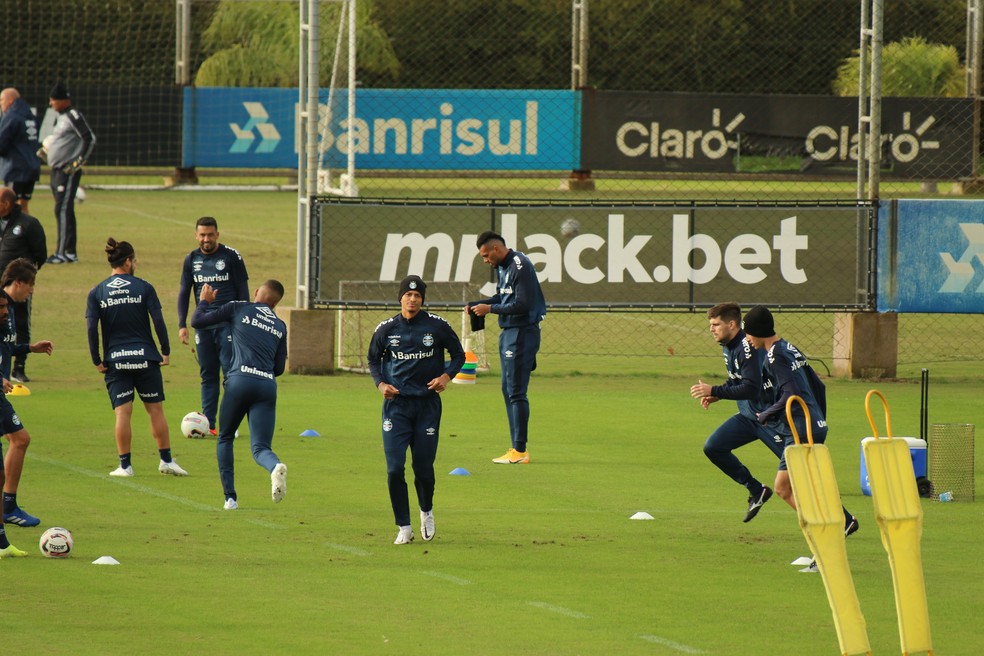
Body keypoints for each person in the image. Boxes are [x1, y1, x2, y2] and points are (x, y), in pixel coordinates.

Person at [741, 305, 859, 542]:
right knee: (806, 484)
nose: (747, 338)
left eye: (749, 333)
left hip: (800, 429)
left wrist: (767, 414)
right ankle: (840, 524)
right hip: (811, 425)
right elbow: (818, 386)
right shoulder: (789, 348)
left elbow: (791, 394)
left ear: (759, 331)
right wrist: (818, 418)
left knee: (784, 488)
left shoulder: (774, 356)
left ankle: (826, 533)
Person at [368, 275, 465, 545]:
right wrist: (380, 384)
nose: (413, 299)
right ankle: (404, 526)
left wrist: (446, 376)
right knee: (394, 469)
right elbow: (373, 359)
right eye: (408, 295)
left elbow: (458, 355)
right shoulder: (386, 329)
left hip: (427, 406)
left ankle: (426, 511)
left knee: (422, 468)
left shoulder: (437, 326)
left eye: (418, 296)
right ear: (400, 298)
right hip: (396, 407)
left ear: (422, 300)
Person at [86, 238, 188, 478]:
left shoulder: (97, 292)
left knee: (123, 413)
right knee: (156, 410)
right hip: (145, 358)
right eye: (134, 260)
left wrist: (96, 359)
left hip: (116, 360)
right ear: (128, 262)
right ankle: (166, 461)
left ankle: (125, 466)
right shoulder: (144, 287)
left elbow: (91, 328)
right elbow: (158, 320)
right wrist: (165, 350)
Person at [191, 280, 288, 510]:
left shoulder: (239, 307)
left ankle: (230, 499)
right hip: (266, 386)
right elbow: (279, 368)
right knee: (261, 448)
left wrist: (204, 301)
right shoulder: (280, 325)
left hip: (239, 381)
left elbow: (197, 321)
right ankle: (274, 467)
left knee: (225, 438)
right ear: (275, 304)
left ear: (257, 292)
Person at [689, 302, 785, 522]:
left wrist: (714, 390)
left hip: (770, 419)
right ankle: (757, 490)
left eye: (716, 324)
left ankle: (844, 518)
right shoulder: (728, 345)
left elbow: (751, 388)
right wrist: (718, 394)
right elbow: (737, 380)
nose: (711, 329)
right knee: (714, 447)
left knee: (798, 470)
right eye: (711, 325)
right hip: (749, 416)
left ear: (731, 324)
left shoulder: (746, 348)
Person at [466, 231, 546, 464]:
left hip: (522, 332)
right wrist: (479, 304)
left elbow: (523, 304)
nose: (485, 260)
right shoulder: (503, 267)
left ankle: (520, 451)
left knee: (516, 391)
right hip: (510, 332)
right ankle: (515, 447)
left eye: (485, 255)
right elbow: (503, 297)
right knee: (508, 389)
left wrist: (490, 309)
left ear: (496, 249)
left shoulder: (520, 265)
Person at [177, 217, 249, 436]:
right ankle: (209, 425)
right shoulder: (191, 259)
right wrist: (182, 324)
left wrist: (243, 322)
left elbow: (243, 291)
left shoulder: (231, 256)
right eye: (202, 235)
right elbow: (184, 292)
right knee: (208, 376)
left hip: (228, 325)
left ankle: (231, 424)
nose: (206, 239)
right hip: (203, 326)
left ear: (217, 234)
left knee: (230, 376)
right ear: (196, 235)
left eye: (210, 235)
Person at [0, 258, 53, 527]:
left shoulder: (8, 308)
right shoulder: (2, 307)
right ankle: (8, 506)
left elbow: (6, 347)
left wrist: (30, 348)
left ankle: (8, 506)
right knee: (20, 440)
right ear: (18, 283)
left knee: (19, 440)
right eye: (30, 285)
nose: (31, 291)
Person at [40, 83, 95, 264]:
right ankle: (70, 252)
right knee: (65, 210)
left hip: (67, 171)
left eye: (53, 100)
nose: (51, 103)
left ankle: (61, 253)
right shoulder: (62, 117)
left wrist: (79, 161)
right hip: (57, 170)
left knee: (62, 210)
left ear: (64, 100)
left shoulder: (73, 115)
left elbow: (89, 138)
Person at [0, 187, 47, 383]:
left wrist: (26, 276)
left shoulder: (29, 224)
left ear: (7, 203)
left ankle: (19, 368)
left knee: (19, 324)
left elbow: (40, 254)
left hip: (18, 283)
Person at [0, 88, 42, 214]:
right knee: (23, 204)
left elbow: (2, 144)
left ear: (10, 100)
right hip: (32, 167)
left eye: (1, 99)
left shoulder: (11, 116)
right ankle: (25, 227)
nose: (0, 103)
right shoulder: (31, 116)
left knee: (9, 206)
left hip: (15, 169)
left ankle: (12, 228)